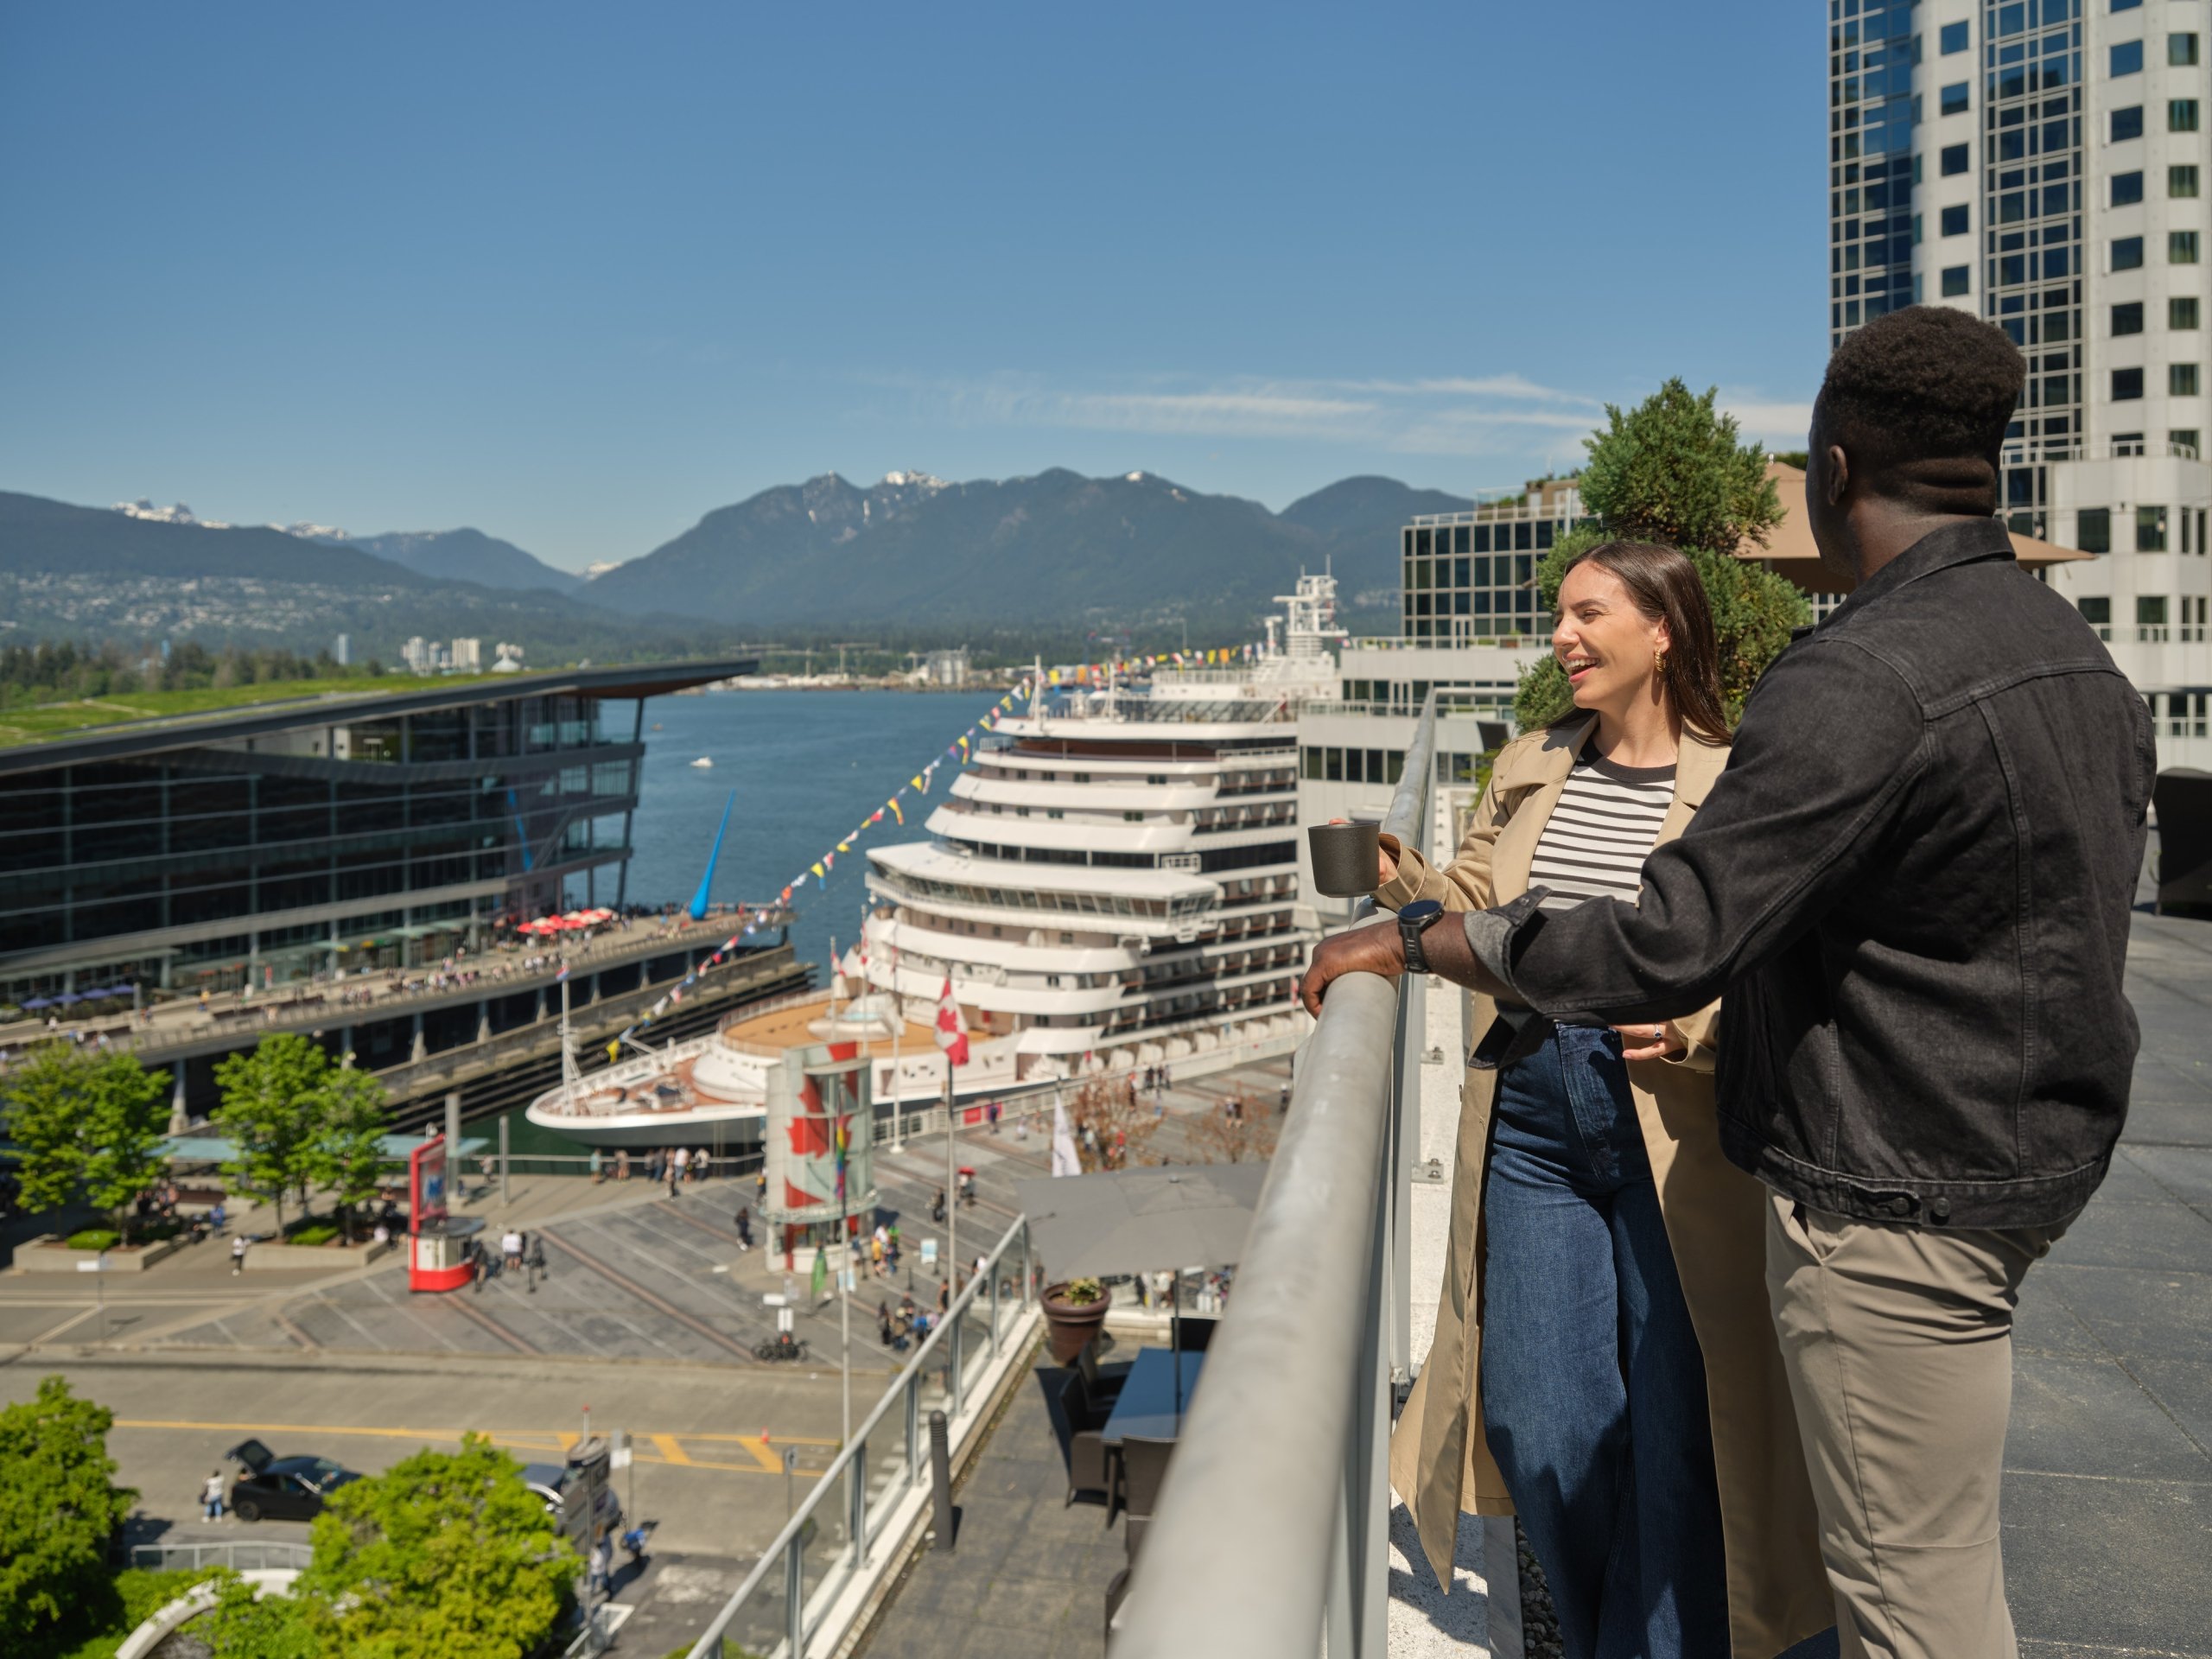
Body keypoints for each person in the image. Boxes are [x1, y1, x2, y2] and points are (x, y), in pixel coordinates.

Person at [1302, 308, 2155, 1659]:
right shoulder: (2079, 665)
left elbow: (1666, 937)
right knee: (1882, 1547)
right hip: (2014, 1175)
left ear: (1831, 468)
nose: (1568, 638)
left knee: (1901, 1598)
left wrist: (1414, 945)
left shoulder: (1859, 678)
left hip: (1886, 1194)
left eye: (1593, 611)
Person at [1327, 539, 1827, 1659]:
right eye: (1559, 615)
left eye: (1588, 612)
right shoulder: (1534, 761)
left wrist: (1696, 1024)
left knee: (1677, 1437)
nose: (1562, 636)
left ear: (1663, 629)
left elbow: (1784, 956)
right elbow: (1470, 903)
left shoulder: (1739, 778)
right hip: (1536, 1114)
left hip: (1675, 1128)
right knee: (1538, 1420)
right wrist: (1388, 874)